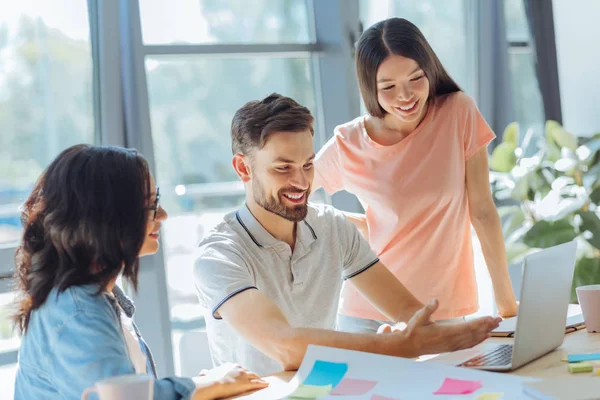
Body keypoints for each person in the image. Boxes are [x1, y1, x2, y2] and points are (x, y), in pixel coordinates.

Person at [193, 94, 501, 377]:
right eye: (283, 168)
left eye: (308, 164)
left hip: (324, 391)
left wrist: (470, 337)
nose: (301, 182)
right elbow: (285, 347)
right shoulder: (219, 255)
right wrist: (400, 347)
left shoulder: (331, 227)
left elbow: (408, 312)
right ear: (243, 169)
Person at [13, 144, 268, 400]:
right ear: (105, 216)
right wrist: (208, 386)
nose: (164, 215)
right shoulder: (77, 310)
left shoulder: (99, 296)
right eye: (150, 204)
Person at [313, 18, 518, 334]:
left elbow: (483, 211)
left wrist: (508, 307)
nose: (405, 96)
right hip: (369, 312)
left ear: (430, 70)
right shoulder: (350, 142)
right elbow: (290, 195)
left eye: (415, 78)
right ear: (370, 87)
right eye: (389, 87)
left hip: (443, 309)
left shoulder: (458, 112)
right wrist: (343, 224)